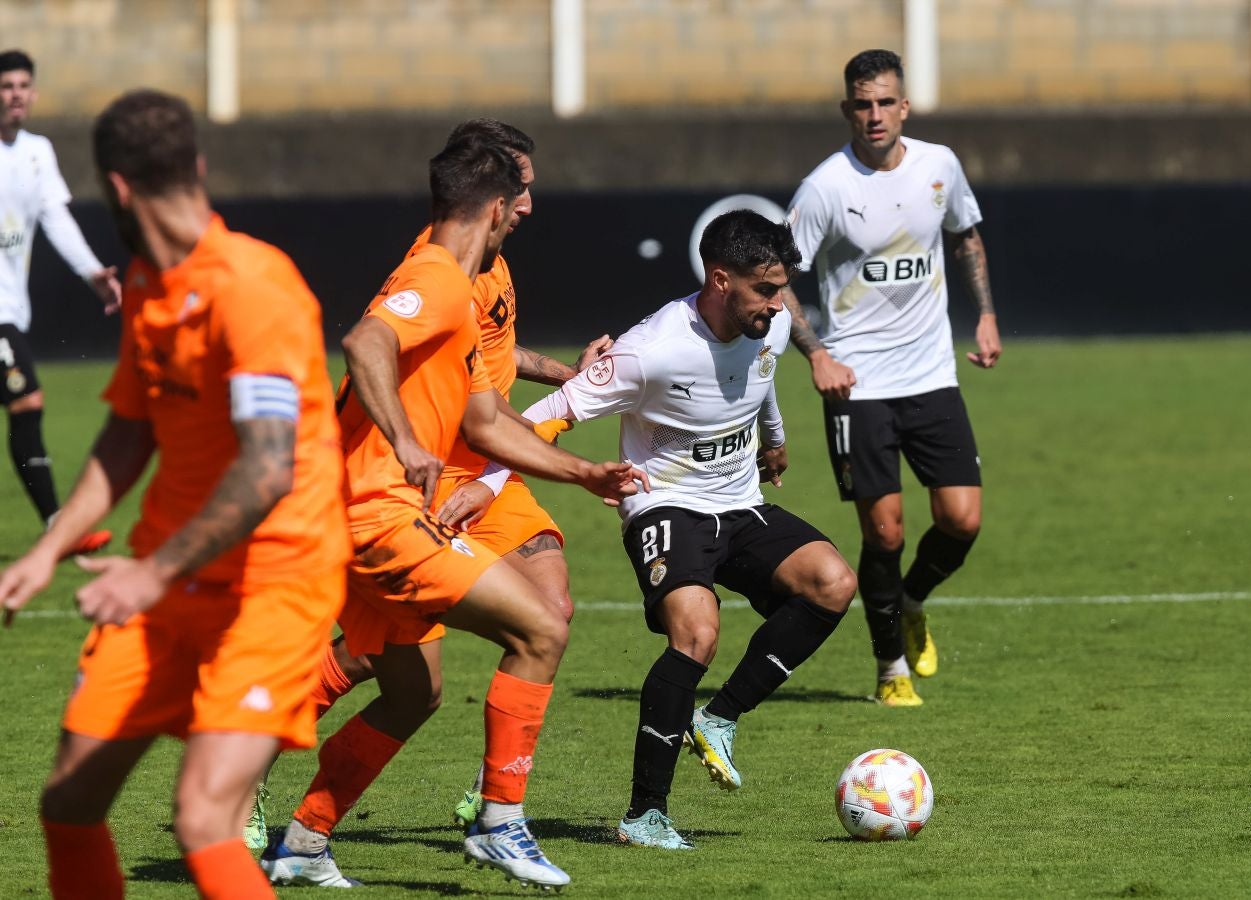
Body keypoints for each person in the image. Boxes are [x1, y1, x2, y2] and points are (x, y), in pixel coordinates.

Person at [258, 131, 647, 890]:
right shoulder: (435, 279)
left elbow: (486, 422)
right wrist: (403, 440)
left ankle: (303, 840)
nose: (523, 214)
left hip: (369, 514)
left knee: (412, 693)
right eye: (517, 201)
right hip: (377, 513)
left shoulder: (461, 290)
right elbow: (363, 340)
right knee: (539, 626)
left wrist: (582, 473)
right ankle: (501, 820)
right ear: (495, 206)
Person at [0, 88, 351, 900]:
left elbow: (267, 471)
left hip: (274, 584)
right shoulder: (149, 283)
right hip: (170, 586)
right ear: (194, 165)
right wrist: (49, 548)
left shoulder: (253, 288)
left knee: (203, 818)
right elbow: (128, 434)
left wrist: (149, 573)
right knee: (70, 802)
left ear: (114, 189)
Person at [506, 210, 856, 850]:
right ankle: (645, 816)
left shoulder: (766, 325)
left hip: (739, 501)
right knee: (697, 633)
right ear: (720, 279)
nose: (780, 307)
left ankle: (718, 720)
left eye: (781, 289)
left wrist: (774, 442)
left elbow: (761, 378)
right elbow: (548, 414)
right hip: (665, 505)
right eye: (766, 290)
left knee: (832, 583)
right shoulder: (653, 350)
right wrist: (487, 482)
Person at [782, 48, 1002, 708]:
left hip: (931, 373)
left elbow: (965, 235)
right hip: (857, 384)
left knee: (961, 520)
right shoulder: (825, 188)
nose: (873, 115)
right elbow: (777, 275)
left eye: (885, 102)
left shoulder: (939, 166)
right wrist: (816, 353)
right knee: (883, 533)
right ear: (846, 109)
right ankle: (888, 671)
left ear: (903, 106)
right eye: (861, 104)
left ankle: (910, 600)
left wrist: (985, 316)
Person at [0, 49, 121, 554]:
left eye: (23, 85)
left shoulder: (36, 152)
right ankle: (57, 525)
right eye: (6, 86)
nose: (15, 95)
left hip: (11, 310)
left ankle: (57, 526)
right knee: (27, 399)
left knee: (24, 405)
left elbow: (57, 220)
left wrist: (93, 272)